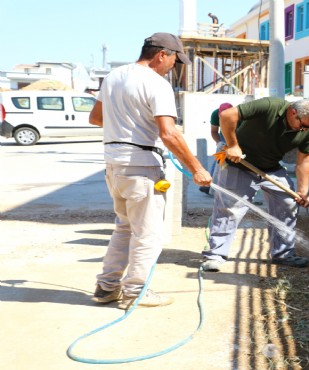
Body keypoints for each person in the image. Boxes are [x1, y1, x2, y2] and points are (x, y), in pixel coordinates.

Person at [89, 32, 213, 309]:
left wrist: (129, 126)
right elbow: (169, 134)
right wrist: (198, 169)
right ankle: (136, 292)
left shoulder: (114, 76)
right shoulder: (157, 84)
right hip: (142, 167)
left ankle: (107, 288)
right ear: (161, 55)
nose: (173, 67)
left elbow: (96, 118)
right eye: (173, 60)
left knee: (124, 228)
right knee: (148, 234)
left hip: (115, 165)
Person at [202, 98, 309, 271]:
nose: (304, 130)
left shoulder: (308, 128)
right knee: (230, 208)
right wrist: (232, 145)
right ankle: (216, 255)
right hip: (239, 164)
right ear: (293, 113)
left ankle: (283, 254)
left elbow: (305, 159)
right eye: (302, 126)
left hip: (271, 167)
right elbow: (227, 115)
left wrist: (303, 191)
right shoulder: (270, 106)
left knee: (288, 203)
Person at [199, 102, 233, 195]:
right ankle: (211, 185)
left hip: (238, 135)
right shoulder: (215, 114)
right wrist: (219, 143)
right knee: (219, 159)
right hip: (223, 136)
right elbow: (214, 131)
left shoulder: (238, 116)